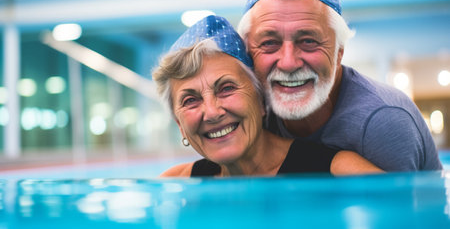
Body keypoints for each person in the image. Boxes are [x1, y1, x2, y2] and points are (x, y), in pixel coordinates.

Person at [236, 0, 442, 171]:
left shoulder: (381, 122)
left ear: (339, 52)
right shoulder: (255, 113)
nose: (288, 63)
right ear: (248, 52)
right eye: (269, 43)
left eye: (308, 41)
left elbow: (406, 205)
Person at [153, 15, 382, 177]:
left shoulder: (338, 172)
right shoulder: (176, 185)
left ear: (262, 100)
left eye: (227, 89)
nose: (212, 112)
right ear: (180, 125)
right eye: (190, 100)